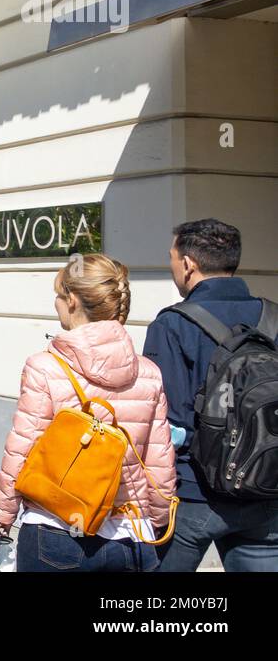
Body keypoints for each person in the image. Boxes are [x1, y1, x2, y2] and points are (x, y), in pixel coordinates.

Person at [0, 254, 177, 572]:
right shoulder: (148, 373)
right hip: (130, 535)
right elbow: (159, 465)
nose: (56, 304)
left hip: (56, 530)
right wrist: (158, 521)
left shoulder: (44, 367)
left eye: (59, 296)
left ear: (73, 300)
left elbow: (22, 450)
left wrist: (2, 516)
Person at [143, 219, 278, 572]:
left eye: (171, 258)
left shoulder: (172, 324)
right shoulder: (274, 317)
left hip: (195, 492)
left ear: (188, 264)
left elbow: (165, 420)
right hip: (265, 486)